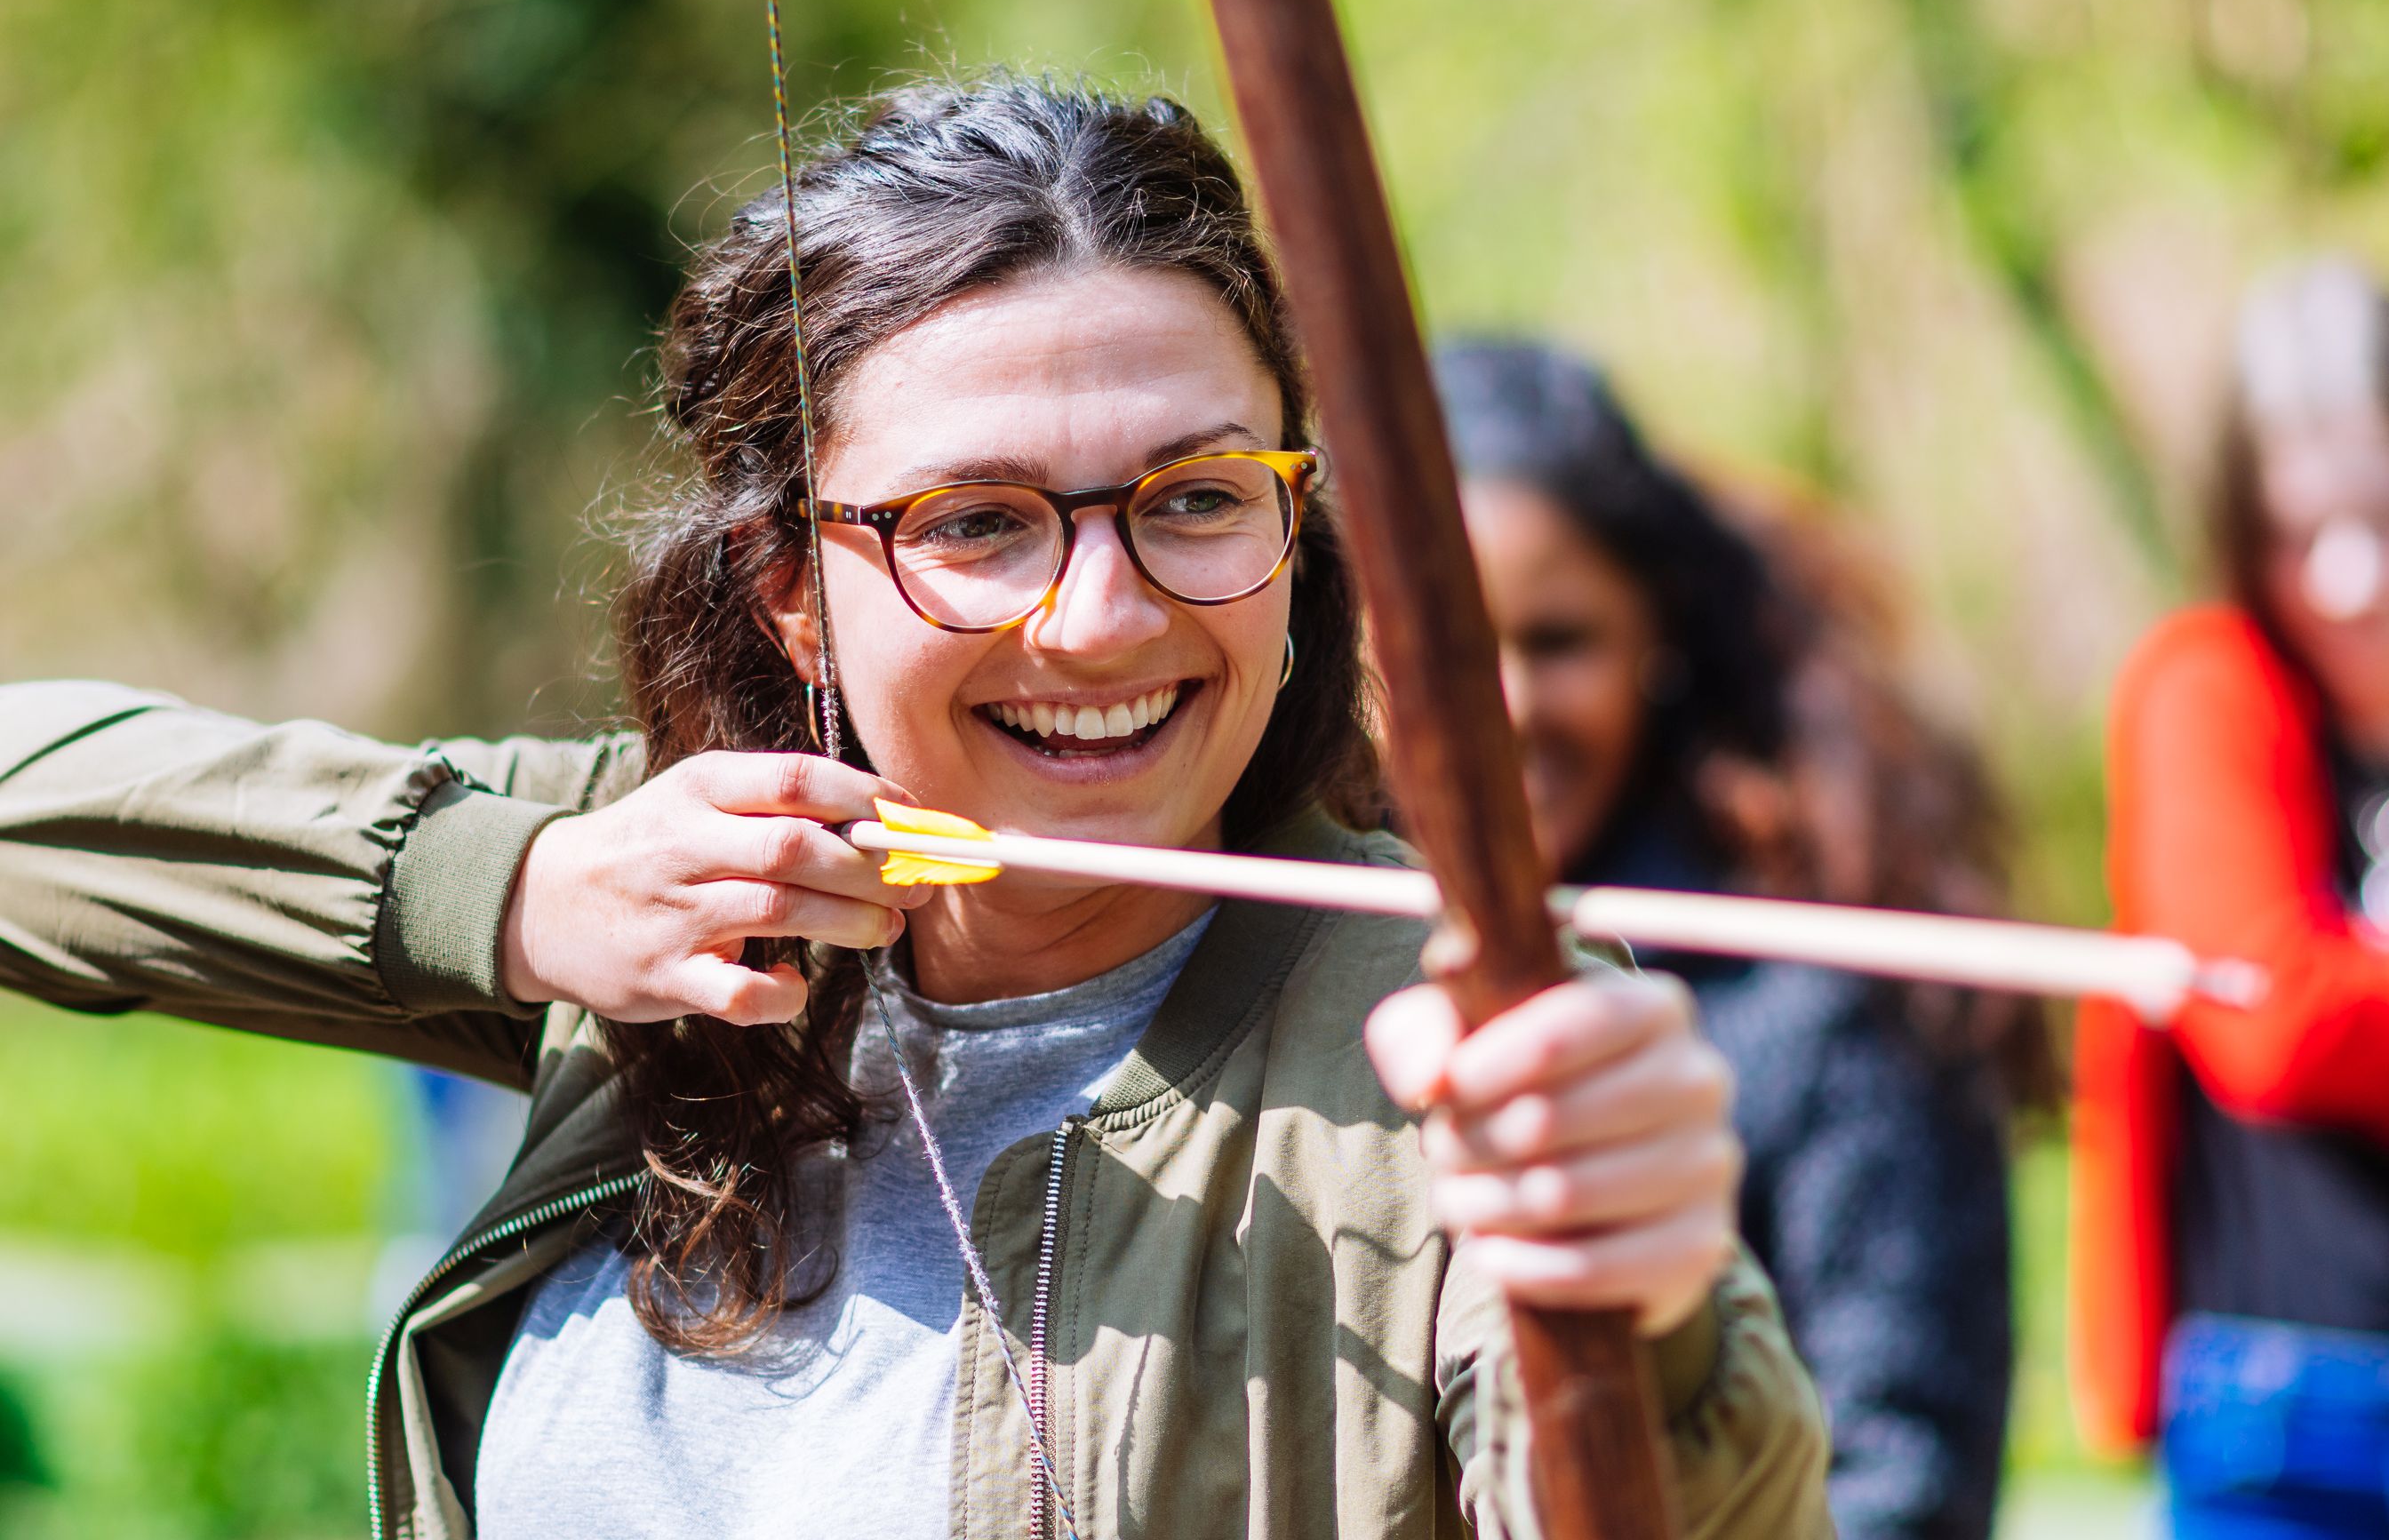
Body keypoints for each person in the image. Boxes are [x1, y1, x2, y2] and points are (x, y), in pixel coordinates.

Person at [0, 76, 1828, 1539]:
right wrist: (516, 882)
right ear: (793, 584)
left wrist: (1654, 1303)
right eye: (976, 521)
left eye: (1196, 496)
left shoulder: (1455, 1031)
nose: (1103, 613)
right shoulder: (676, 894)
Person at [1437, 339, 2049, 1540]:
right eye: (1454, 653)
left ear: (1651, 639)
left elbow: (1904, 1478)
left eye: (1558, 641)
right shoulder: (1288, 939)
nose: (1508, 706)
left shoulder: (1828, 1000)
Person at [2072, 258, 2389, 1538]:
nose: (2349, 579)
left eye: (2382, 516)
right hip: (2293, 1404)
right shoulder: (2208, 687)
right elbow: (2274, 1022)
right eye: (2298, 532)